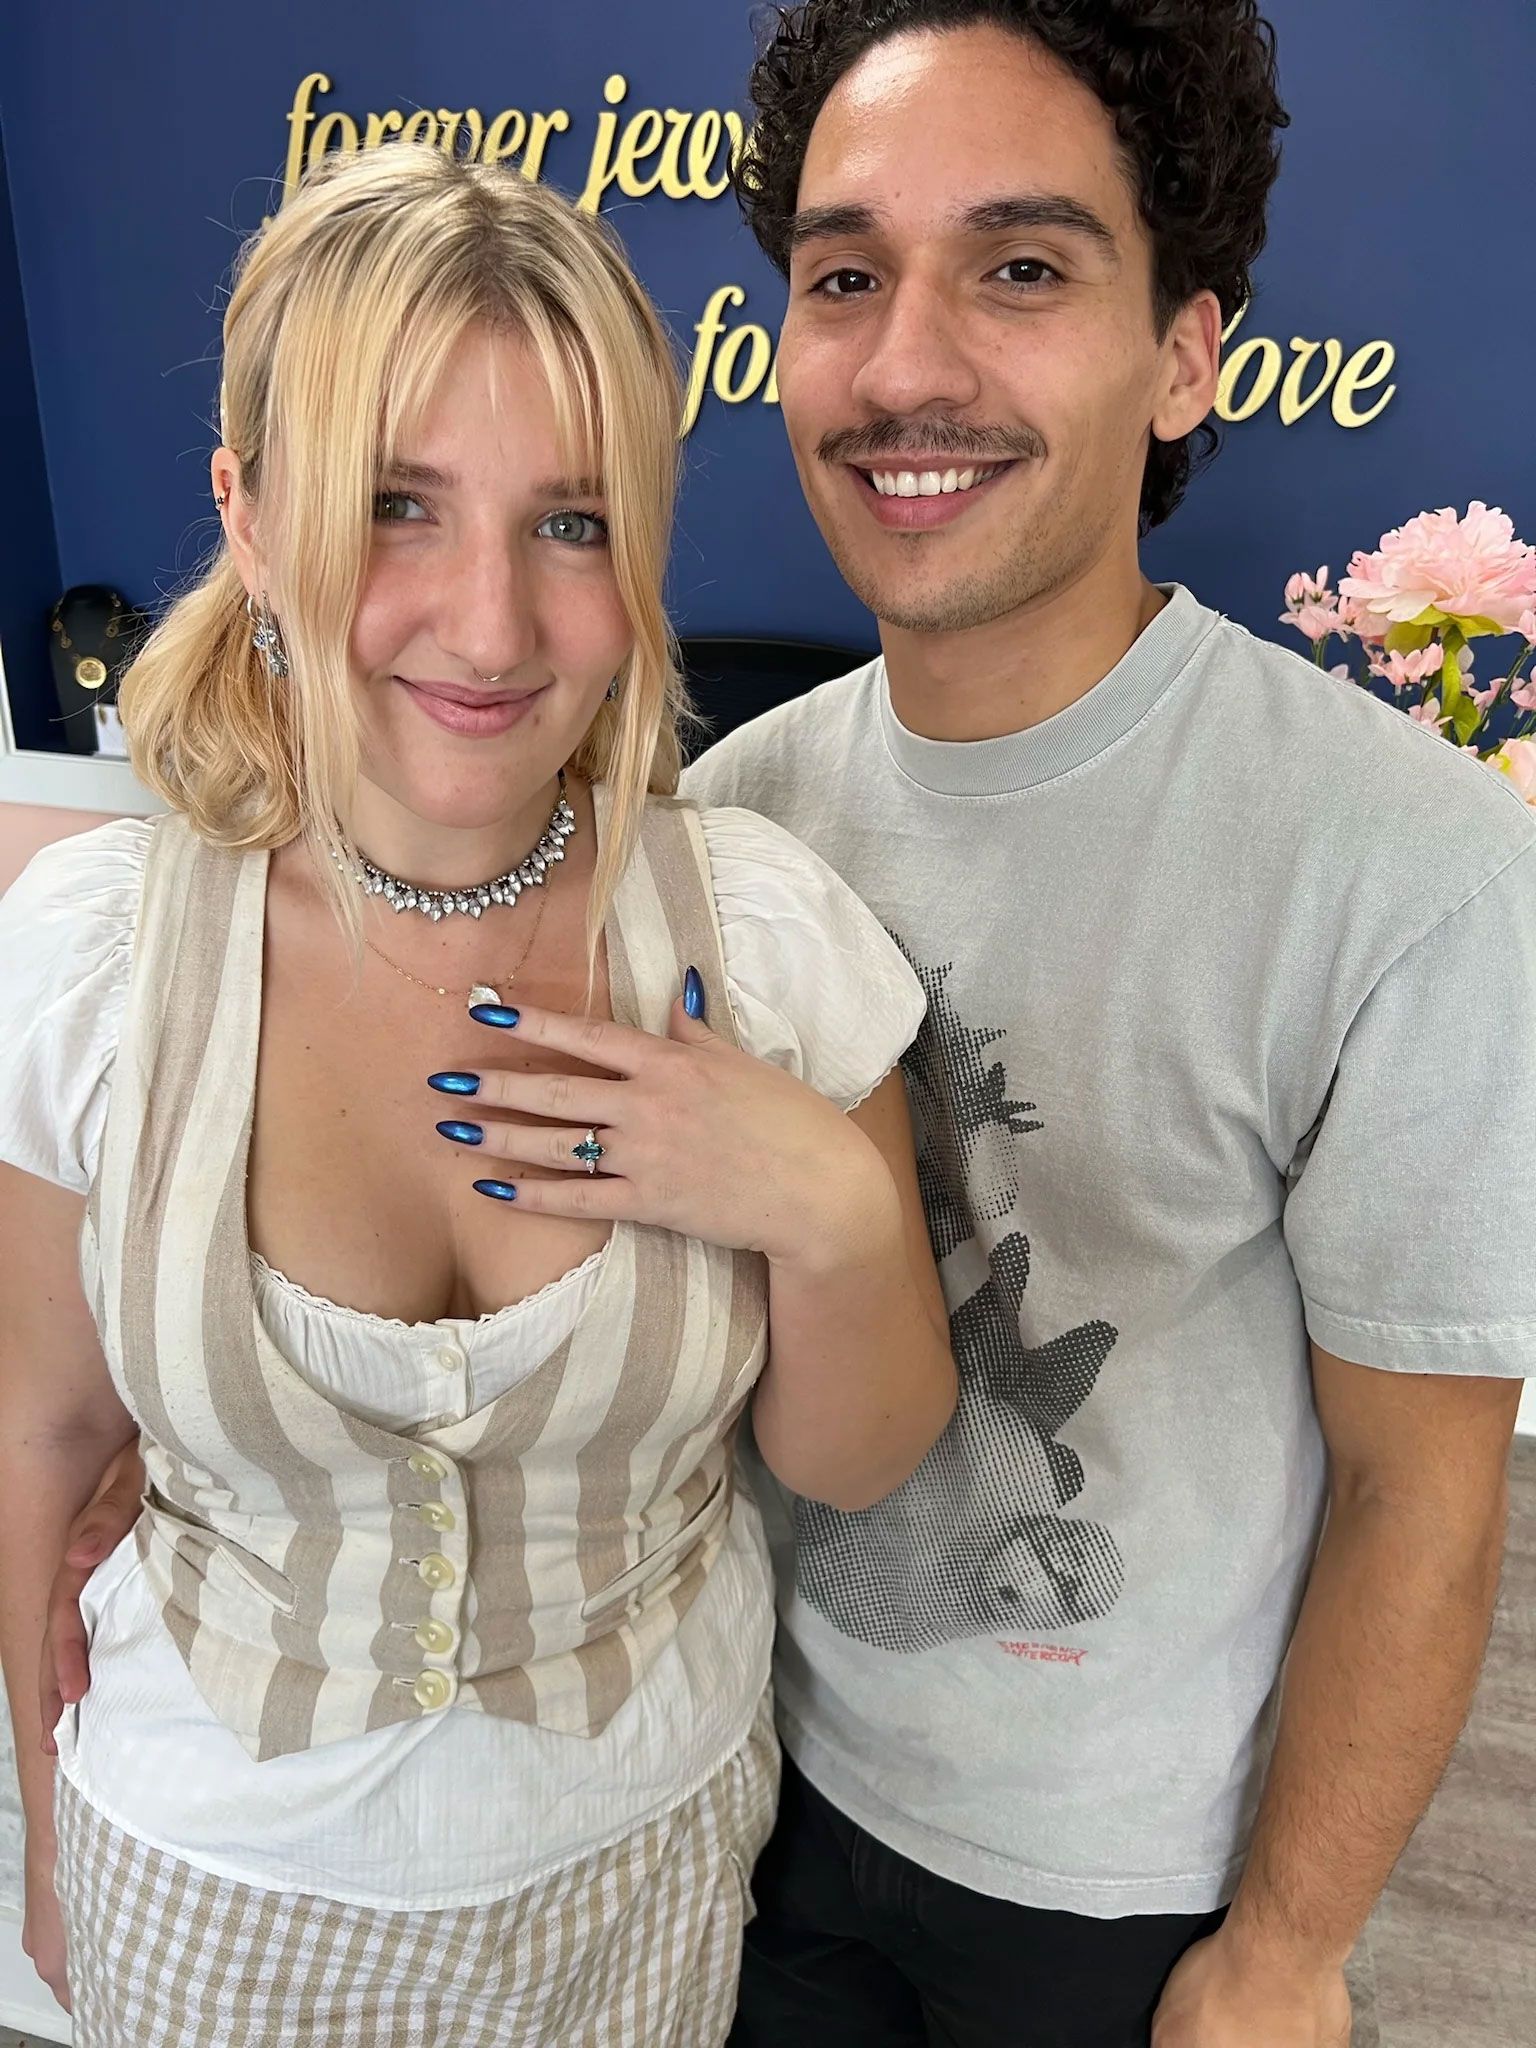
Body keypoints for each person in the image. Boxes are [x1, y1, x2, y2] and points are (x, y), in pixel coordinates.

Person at [0, 143, 957, 2048]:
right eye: (398, 508)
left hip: (643, 1873)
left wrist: (831, 1210)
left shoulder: (758, 935)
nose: (496, 624)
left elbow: (853, 1461)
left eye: (575, 522)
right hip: (207, 1887)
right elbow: (36, 1444)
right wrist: (39, 1824)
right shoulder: (94, 959)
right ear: (249, 519)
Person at [683, 5, 1536, 2046]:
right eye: (846, 275)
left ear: (1183, 352)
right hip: (743, 1798)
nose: (906, 365)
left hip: (1124, 1905)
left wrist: (1285, 1952)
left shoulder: (1398, 863)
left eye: (1024, 268)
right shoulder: (727, 823)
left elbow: (1424, 1488)